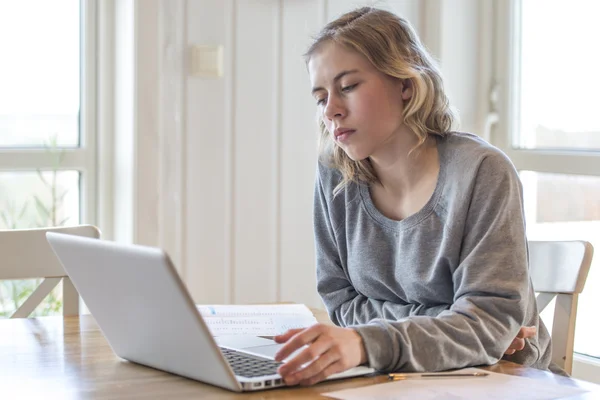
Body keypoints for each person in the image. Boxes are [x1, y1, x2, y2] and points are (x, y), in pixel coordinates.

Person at [272, 7, 552, 386]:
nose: (332, 111)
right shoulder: (335, 174)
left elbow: (487, 326)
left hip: (498, 381)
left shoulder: (482, 171)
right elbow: (340, 301)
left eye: (349, 86)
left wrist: (367, 341)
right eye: (321, 98)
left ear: (406, 84)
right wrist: (450, 322)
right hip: (390, 377)